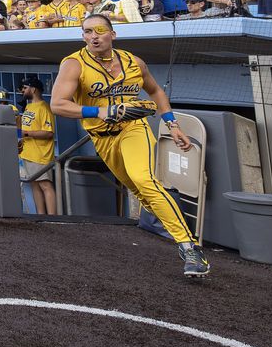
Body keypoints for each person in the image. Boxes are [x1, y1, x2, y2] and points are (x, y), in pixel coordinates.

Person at [47, 15, 208, 277]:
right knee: (138, 190)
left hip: (134, 128)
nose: (93, 36)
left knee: (144, 180)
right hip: (103, 136)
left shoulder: (135, 62)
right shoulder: (74, 64)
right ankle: (176, 231)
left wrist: (172, 124)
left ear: (113, 34)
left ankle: (189, 247)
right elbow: (58, 104)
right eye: (87, 32)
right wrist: (99, 111)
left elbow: (155, 91)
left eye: (99, 31)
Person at [16, 76, 56, 215]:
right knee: (34, 184)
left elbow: (48, 133)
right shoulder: (29, 105)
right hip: (28, 153)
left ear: (33, 89)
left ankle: (53, 217)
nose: (23, 91)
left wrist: (27, 133)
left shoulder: (44, 108)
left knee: (45, 185)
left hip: (40, 154)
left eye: (25, 88)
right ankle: (40, 215)